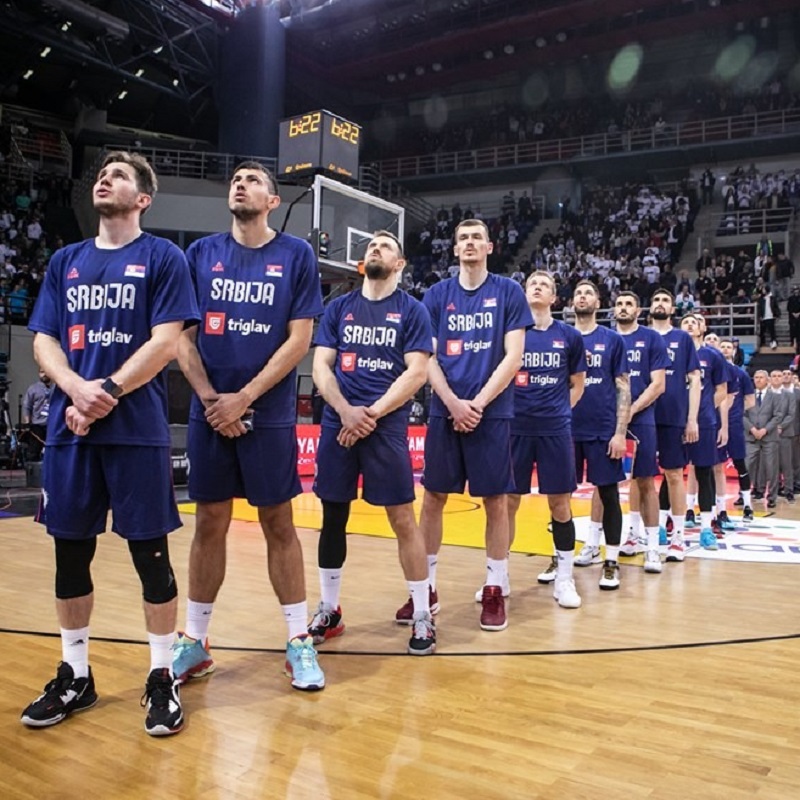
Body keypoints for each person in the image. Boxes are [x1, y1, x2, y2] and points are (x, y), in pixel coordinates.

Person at [22, 151, 199, 736]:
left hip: (135, 430)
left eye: (120, 175)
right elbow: (43, 338)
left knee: (151, 558)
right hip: (70, 428)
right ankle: (76, 675)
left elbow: (168, 340)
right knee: (70, 555)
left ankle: (160, 676)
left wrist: (109, 390)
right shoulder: (65, 261)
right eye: (103, 172)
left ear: (142, 198)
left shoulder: (163, 257)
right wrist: (75, 389)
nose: (106, 177)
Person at [173, 161, 325, 691]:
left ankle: (298, 640)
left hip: (269, 415)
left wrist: (245, 399)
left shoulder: (296, 255)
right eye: (236, 179)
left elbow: (299, 340)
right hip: (211, 412)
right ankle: (194, 642)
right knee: (209, 523)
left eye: (254, 180)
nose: (241, 184)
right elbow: (181, 339)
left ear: (273, 201)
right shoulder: (200, 255)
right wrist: (215, 400)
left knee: (278, 524)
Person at [308, 230, 435, 655]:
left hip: (385, 428)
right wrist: (346, 410)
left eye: (384, 247)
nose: (374, 250)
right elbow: (321, 367)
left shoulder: (413, 311)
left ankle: (421, 612)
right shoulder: (338, 307)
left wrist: (370, 414)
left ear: (399, 264)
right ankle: (329, 608)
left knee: (402, 519)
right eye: (370, 248)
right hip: (338, 423)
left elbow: (416, 373)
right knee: (332, 518)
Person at [412, 218, 530, 632]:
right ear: (454, 247)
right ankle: (424, 587)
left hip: (491, 412)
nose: (469, 243)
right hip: (445, 411)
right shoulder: (436, 295)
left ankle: (495, 587)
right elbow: (425, 358)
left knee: (496, 502)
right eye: (463, 238)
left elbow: (513, 356)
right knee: (433, 500)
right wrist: (451, 403)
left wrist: (476, 404)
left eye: (477, 237)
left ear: (490, 246)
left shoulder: (509, 292)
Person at [504, 271, 585, 607]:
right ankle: (498, 577)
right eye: (531, 285)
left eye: (544, 286)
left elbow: (578, 384)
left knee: (560, 504)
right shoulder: (512, 335)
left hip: (554, 429)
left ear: (554, 298)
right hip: (514, 427)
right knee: (506, 503)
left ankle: (564, 579)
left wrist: (559, 412)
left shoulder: (569, 336)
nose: (537, 288)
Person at [570, 280, 630, 590]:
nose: (583, 296)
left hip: (603, 430)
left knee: (608, 495)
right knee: (558, 496)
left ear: (598, 301)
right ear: (571, 301)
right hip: (565, 429)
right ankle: (561, 559)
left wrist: (620, 432)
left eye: (589, 293)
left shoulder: (612, 340)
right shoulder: (562, 337)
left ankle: (611, 561)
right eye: (579, 293)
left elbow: (623, 387)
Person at [613, 292, 669, 572]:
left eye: (629, 304)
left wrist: (631, 409)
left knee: (646, 482)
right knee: (605, 483)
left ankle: (653, 549)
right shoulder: (608, 339)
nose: (623, 308)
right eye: (620, 304)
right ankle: (603, 543)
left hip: (641, 418)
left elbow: (658, 384)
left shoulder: (651, 338)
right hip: (608, 422)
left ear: (638, 310)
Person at [649, 289, 701, 563]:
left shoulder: (682, 339)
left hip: (673, 416)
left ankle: (678, 537)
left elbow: (694, 381)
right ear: (650, 307)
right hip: (643, 416)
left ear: (672, 308)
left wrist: (692, 418)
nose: (660, 304)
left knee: (673, 476)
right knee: (640, 479)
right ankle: (643, 533)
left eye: (665, 300)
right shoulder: (642, 336)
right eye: (656, 300)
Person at [679, 314, 730, 550]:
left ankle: (707, 528)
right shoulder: (672, 350)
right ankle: (667, 522)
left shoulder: (713, 355)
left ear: (703, 328)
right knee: (672, 474)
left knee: (704, 472)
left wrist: (703, 406)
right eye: (686, 321)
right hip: (675, 421)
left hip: (704, 422)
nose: (690, 324)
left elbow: (722, 389)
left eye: (695, 322)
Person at [719, 337, 755, 522]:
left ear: (734, 351)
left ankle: (748, 505)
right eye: (722, 346)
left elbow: (750, 400)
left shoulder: (741, 375)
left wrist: (735, 411)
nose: (725, 349)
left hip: (734, 425)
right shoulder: (713, 371)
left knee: (740, 464)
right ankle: (718, 508)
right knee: (715, 468)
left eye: (728, 347)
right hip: (714, 424)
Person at [744, 371, 782, 510]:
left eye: (761, 378)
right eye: (756, 378)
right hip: (751, 436)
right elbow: (743, 415)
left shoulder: (775, 397)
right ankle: (744, 496)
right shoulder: (748, 396)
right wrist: (753, 429)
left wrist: (765, 430)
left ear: (767, 380)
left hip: (769, 437)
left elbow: (778, 416)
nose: (758, 380)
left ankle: (772, 497)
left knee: (771, 468)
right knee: (746, 466)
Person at [22, 367, 53, 461]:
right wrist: (27, 423)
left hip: (52, 425)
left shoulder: (56, 388)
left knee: (54, 451)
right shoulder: (33, 389)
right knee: (33, 452)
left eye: (46, 372)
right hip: (37, 426)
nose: (44, 374)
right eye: (41, 372)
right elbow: (27, 406)